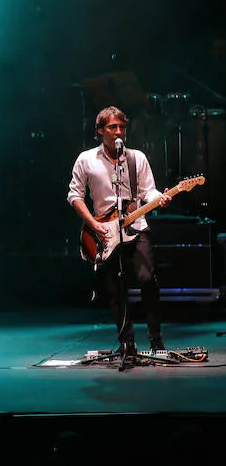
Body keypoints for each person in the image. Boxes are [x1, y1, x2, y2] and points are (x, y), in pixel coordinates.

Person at [67, 105, 170, 359]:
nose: (118, 132)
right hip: (104, 232)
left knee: (147, 279)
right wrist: (93, 224)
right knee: (115, 288)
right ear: (100, 131)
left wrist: (161, 198)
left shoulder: (137, 158)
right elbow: (74, 195)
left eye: (122, 127)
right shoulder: (86, 159)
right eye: (112, 127)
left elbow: (149, 192)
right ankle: (127, 344)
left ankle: (156, 341)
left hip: (137, 226)